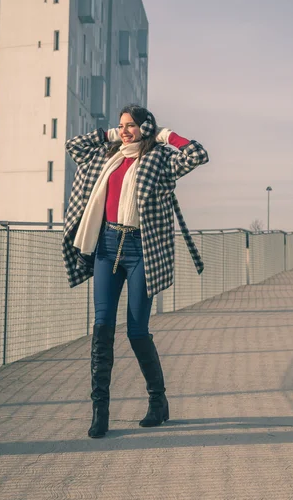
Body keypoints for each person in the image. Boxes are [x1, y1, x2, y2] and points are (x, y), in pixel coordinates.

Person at [62, 104, 209, 438]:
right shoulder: (107, 156)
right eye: (121, 125)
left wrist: (166, 135)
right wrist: (111, 134)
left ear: (146, 127)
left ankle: (158, 402)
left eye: (130, 125)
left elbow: (197, 154)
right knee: (102, 328)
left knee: (136, 330)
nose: (124, 130)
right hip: (106, 245)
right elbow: (73, 147)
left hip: (141, 249)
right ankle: (100, 411)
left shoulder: (160, 159)